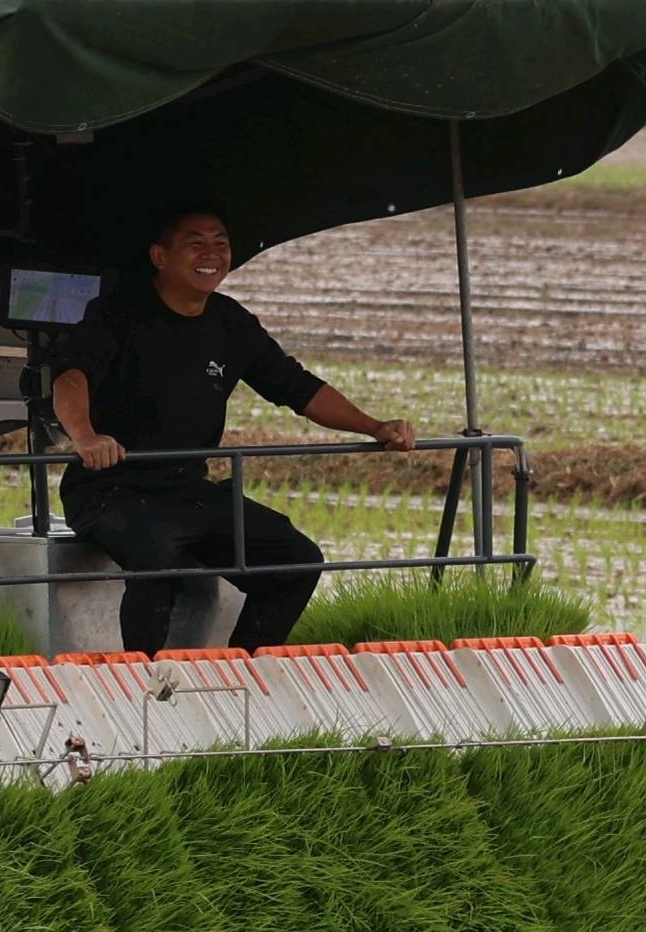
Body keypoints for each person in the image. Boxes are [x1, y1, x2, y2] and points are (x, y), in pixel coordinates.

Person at [43, 202, 414, 650]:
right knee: (157, 555)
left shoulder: (230, 322)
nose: (211, 253)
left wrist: (375, 427)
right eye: (195, 243)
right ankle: (141, 679)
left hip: (186, 489)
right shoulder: (117, 314)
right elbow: (70, 377)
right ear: (159, 257)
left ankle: (240, 664)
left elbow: (298, 388)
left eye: (221, 243)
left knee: (297, 560)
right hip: (109, 490)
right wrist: (86, 437)